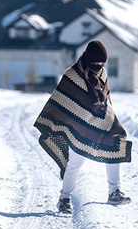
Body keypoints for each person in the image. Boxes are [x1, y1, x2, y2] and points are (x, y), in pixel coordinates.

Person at [34, 40, 132, 214]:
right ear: (88, 59)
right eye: (95, 63)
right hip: (78, 127)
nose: (98, 66)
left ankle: (114, 192)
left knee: (116, 146)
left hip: (100, 123)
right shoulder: (72, 74)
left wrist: (108, 118)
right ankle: (64, 199)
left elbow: (106, 99)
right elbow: (62, 100)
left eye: (102, 63)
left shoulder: (102, 73)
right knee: (75, 164)